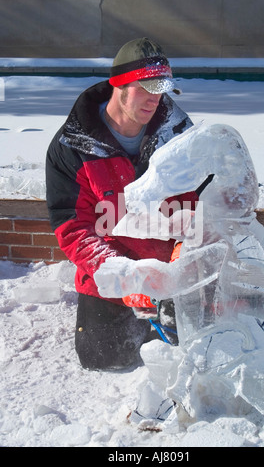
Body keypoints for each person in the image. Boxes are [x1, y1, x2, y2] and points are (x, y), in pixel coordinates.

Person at [46, 37, 198, 371]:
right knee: (104, 359)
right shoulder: (72, 145)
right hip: (112, 272)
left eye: (161, 90)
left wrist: (182, 255)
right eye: (145, 89)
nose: (155, 100)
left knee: (192, 356)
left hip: (170, 271)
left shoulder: (180, 136)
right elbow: (72, 225)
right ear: (120, 84)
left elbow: (199, 204)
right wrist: (125, 275)